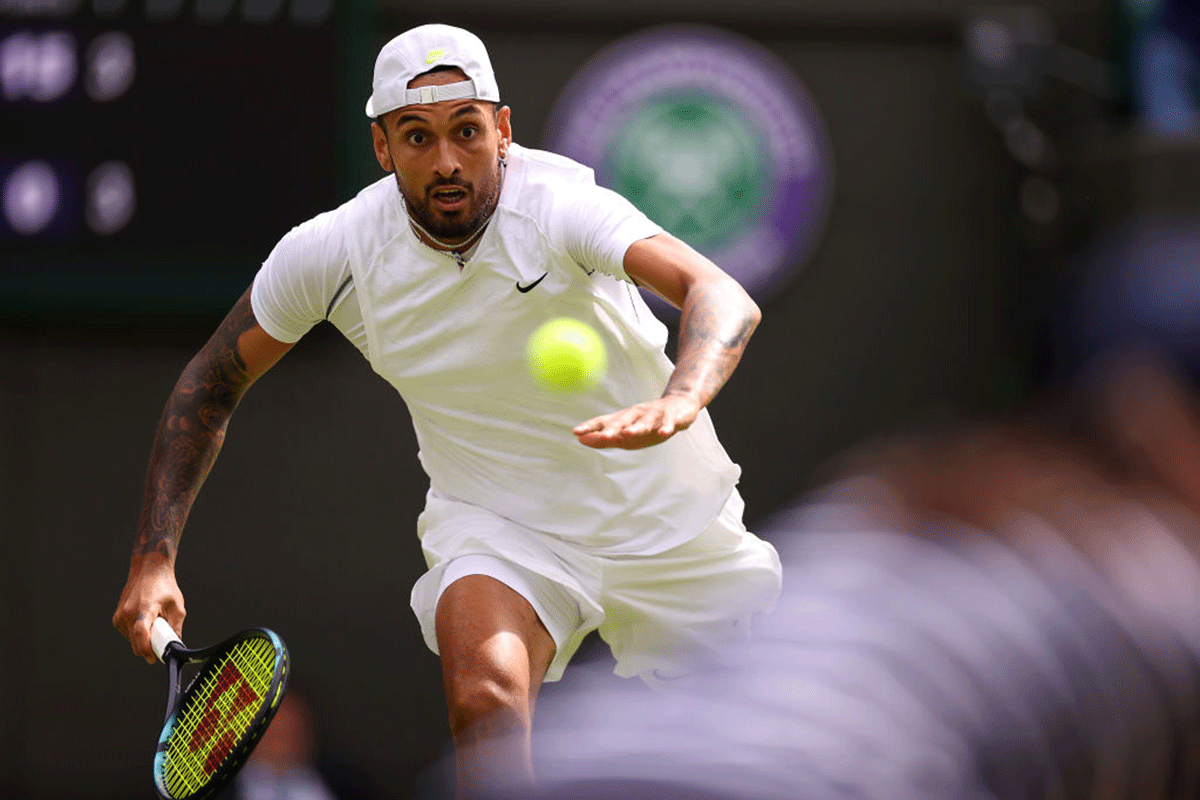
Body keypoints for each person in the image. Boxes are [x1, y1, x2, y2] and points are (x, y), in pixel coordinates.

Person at [111, 23, 781, 799]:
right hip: (500, 521)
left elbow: (719, 292)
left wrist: (682, 395)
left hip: (670, 520)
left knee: (778, 748)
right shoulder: (334, 253)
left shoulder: (561, 206)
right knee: (484, 701)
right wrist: (152, 558)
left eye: (467, 131)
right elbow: (212, 381)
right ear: (382, 148)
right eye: (417, 137)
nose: (448, 161)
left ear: (502, 129)